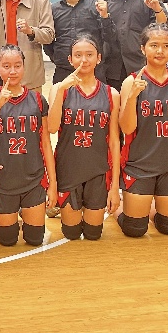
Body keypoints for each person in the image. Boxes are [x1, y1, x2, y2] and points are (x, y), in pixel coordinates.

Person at [116, 24, 168, 238]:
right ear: (143, 48)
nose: (160, 51)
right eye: (154, 45)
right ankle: (121, 208)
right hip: (139, 165)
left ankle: (149, 208)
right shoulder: (131, 82)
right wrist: (132, 97)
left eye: (166, 45)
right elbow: (127, 128)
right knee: (135, 230)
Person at [47, 35, 120, 241]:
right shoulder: (59, 89)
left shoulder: (111, 94)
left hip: (97, 170)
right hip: (69, 169)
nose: (84, 60)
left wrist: (115, 187)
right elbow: (52, 128)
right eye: (78, 55)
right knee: (71, 234)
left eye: (89, 55)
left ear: (99, 58)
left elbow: (114, 141)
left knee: (93, 234)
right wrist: (61, 89)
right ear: (70, 60)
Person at [0, 44, 57, 247]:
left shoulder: (37, 99)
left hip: (33, 179)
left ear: (24, 66)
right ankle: (3, 220)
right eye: (6, 66)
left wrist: (52, 184)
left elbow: (46, 144)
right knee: (7, 241)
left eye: (17, 65)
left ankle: (27, 214)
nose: (13, 71)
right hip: (3, 181)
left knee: (34, 240)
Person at [99, 0, 168, 89]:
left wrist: (157, 9)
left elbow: (165, 28)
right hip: (110, 69)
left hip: (142, 67)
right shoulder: (103, 1)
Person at [44, 0, 115, 84]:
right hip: (64, 72)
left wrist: (105, 16)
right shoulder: (53, 10)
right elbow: (48, 42)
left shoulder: (97, 5)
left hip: (94, 72)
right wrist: (59, 59)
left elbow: (110, 37)